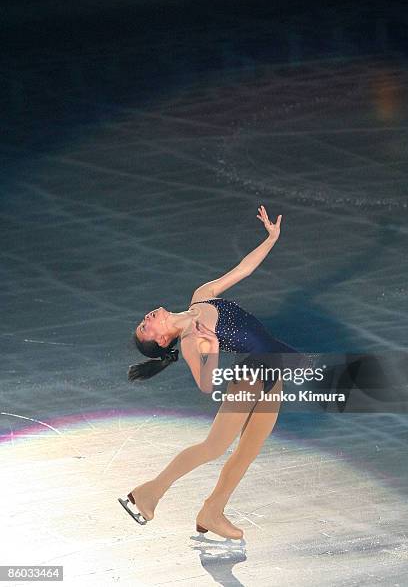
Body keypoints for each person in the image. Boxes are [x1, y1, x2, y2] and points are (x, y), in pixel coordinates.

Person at [119, 206, 298, 540]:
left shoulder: (200, 297)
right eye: (147, 326)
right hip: (253, 375)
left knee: (248, 451)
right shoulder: (190, 341)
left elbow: (242, 270)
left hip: (275, 369)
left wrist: (271, 238)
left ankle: (212, 511)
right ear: (161, 338)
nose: (148, 317)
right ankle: (149, 493)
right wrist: (212, 350)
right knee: (214, 446)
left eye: (144, 320)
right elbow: (206, 383)